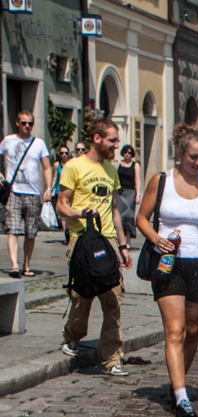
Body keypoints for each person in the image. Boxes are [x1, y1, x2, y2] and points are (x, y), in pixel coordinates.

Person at [137, 124, 198, 417]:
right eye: (193, 156)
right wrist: (156, 239)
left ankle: (176, 381)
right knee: (175, 330)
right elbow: (141, 218)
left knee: (192, 331)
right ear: (181, 153)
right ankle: (181, 397)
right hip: (168, 264)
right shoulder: (162, 181)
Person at [56, 118, 133, 376]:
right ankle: (73, 335)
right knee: (82, 295)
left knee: (113, 298)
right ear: (97, 139)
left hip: (107, 239)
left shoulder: (111, 170)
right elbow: (61, 205)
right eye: (112, 140)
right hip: (81, 238)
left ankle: (111, 359)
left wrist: (122, 245)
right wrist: (80, 212)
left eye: (117, 140)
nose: (116, 145)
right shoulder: (74, 166)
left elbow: (114, 210)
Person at [0, 111, 53, 277]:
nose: (27, 126)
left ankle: (26, 266)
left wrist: (49, 187)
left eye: (30, 123)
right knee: (13, 229)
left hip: (33, 193)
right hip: (14, 192)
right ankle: (14, 265)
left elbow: (47, 167)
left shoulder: (39, 143)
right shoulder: (8, 140)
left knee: (31, 232)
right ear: (17, 123)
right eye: (24, 123)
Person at [116, 145, 141, 244]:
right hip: (120, 193)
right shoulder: (118, 164)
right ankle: (121, 240)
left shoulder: (135, 165)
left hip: (130, 193)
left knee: (129, 217)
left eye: (129, 152)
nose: (127, 154)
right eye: (125, 152)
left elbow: (137, 180)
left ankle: (128, 241)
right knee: (120, 217)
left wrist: (138, 194)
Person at [53, 146, 71, 242]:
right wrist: (50, 190)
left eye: (66, 153)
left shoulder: (72, 163)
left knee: (69, 213)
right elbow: (54, 178)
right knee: (63, 214)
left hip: (69, 191)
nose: (64, 155)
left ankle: (70, 232)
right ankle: (66, 233)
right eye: (62, 153)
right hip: (59, 191)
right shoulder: (57, 165)